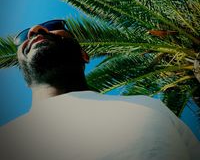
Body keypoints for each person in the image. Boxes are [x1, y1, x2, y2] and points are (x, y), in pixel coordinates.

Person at [0, 19, 199, 160]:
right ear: (24, 77)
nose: (35, 29)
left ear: (84, 55)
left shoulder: (152, 107)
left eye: (54, 27)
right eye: (23, 38)